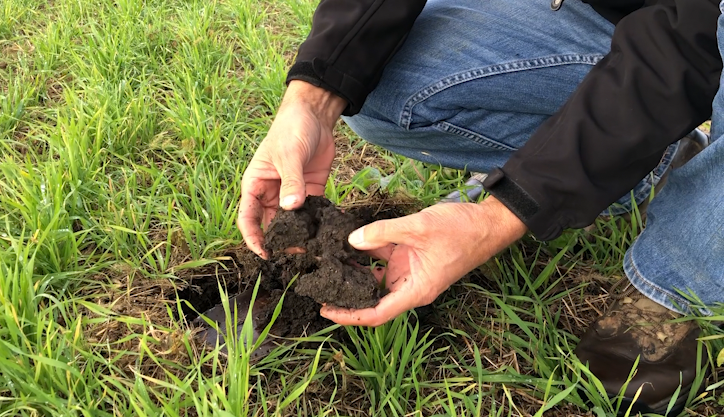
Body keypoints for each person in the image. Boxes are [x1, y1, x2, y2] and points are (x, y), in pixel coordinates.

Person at [237, 0, 724, 414]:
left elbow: (685, 38)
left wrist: (501, 214)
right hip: (591, 11)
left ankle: (682, 272)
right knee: (377, 83)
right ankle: (644, 160)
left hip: (697, 26)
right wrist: (312, 98)